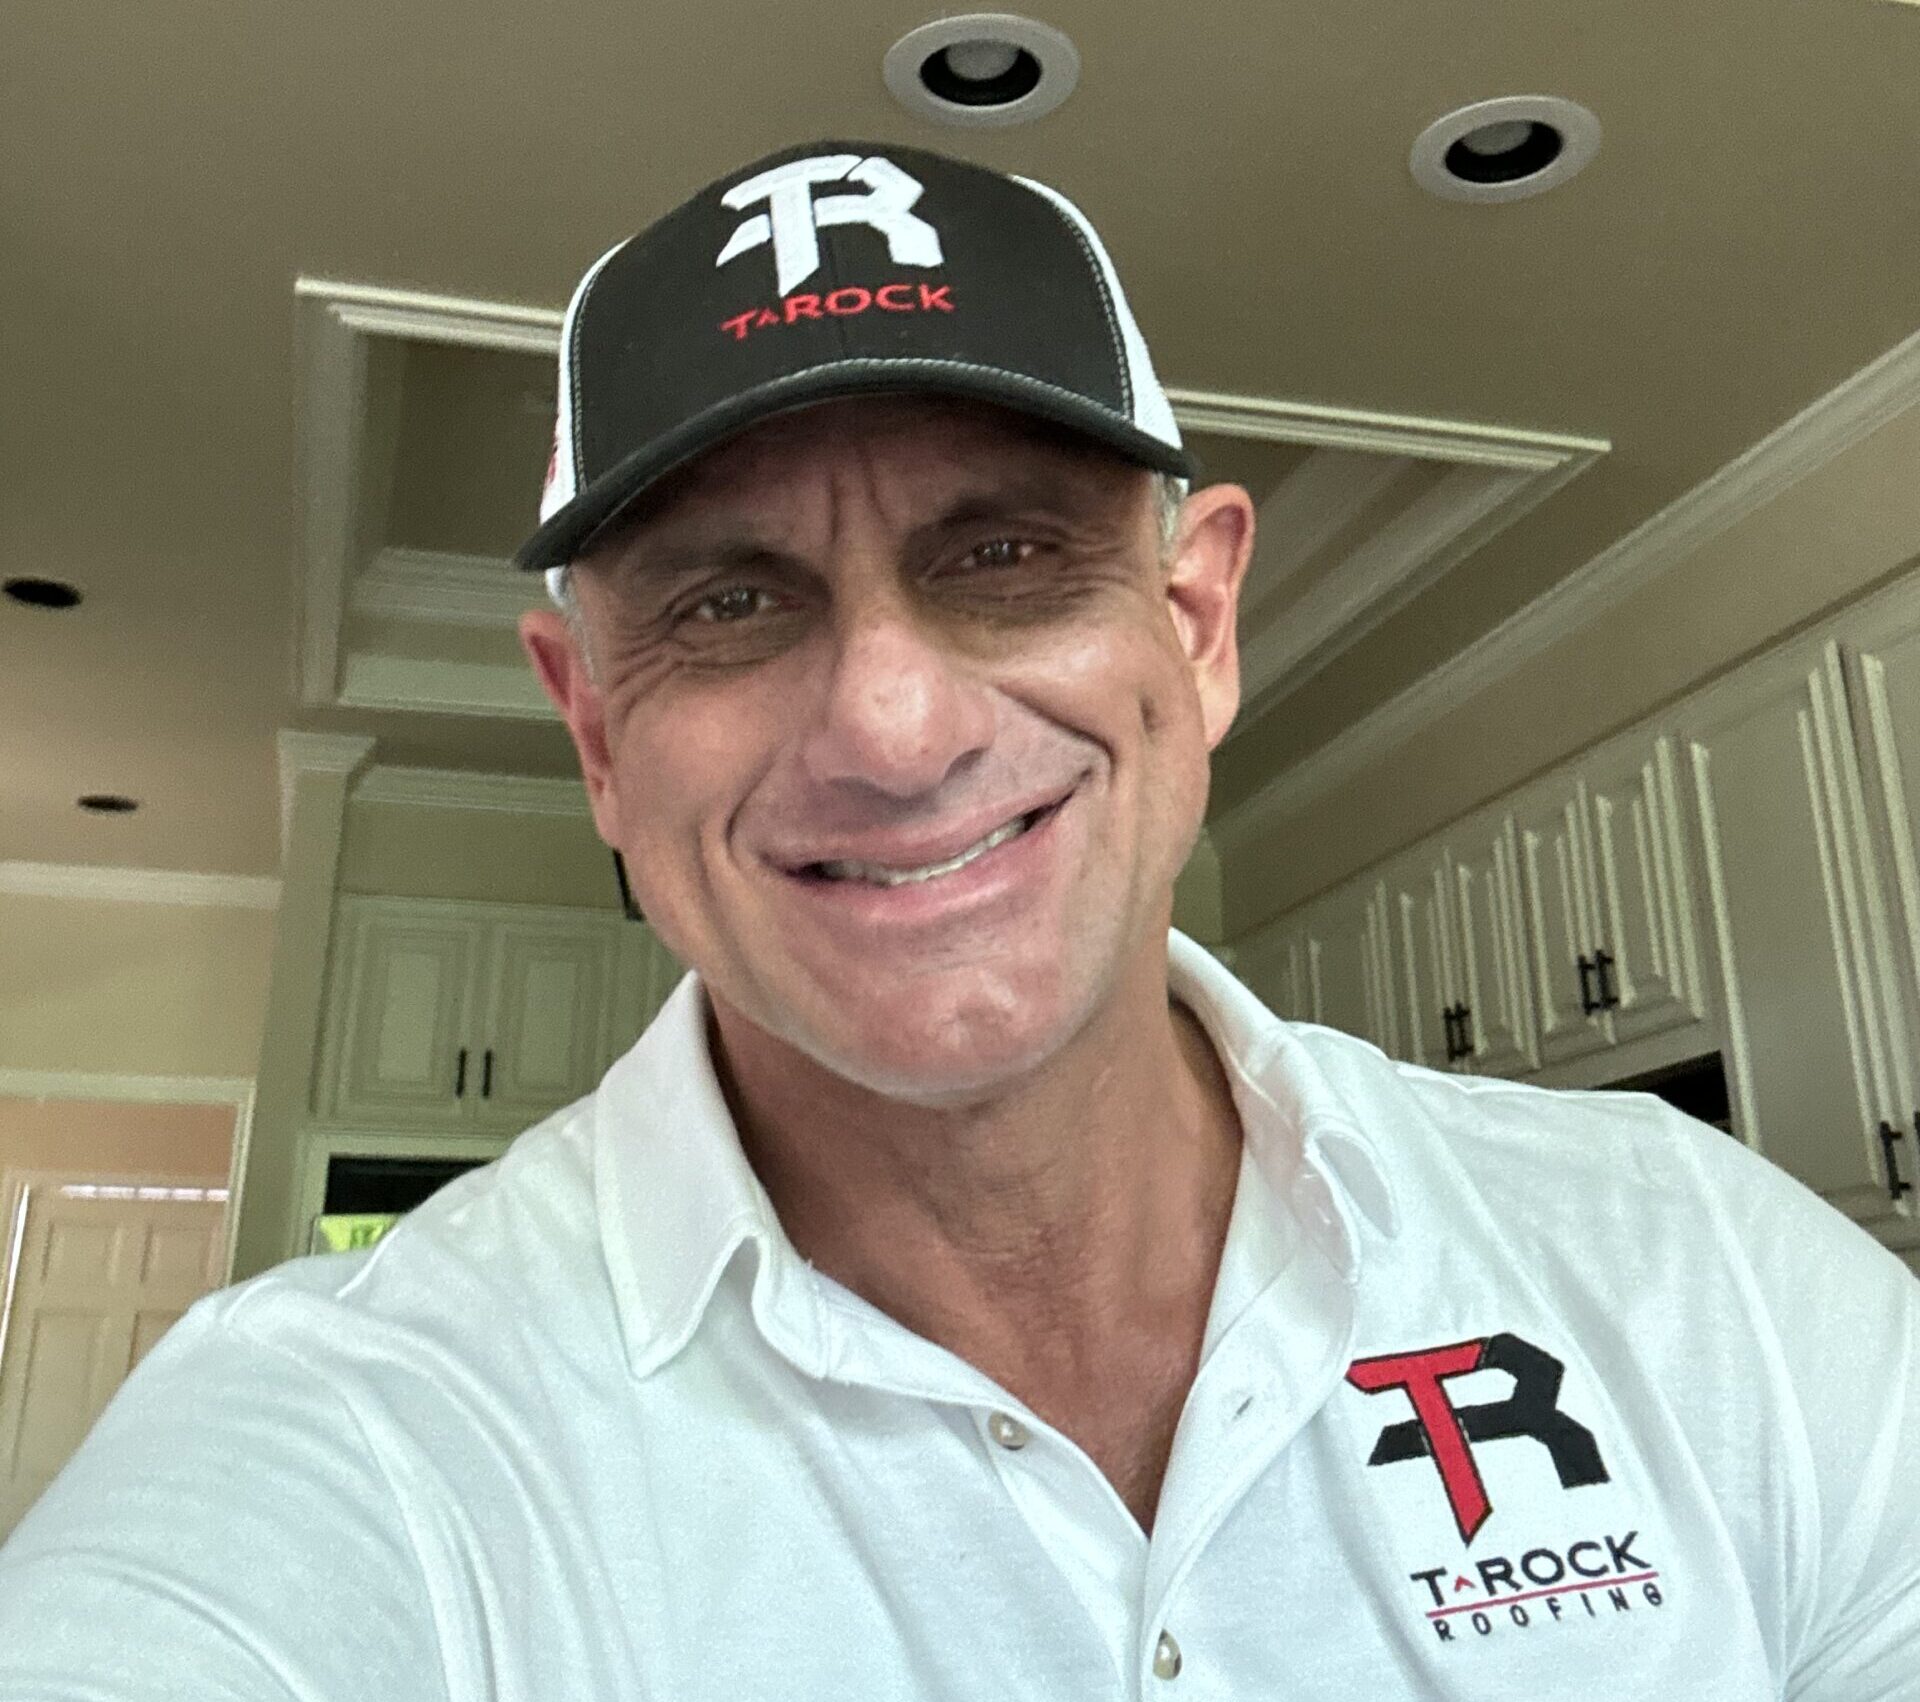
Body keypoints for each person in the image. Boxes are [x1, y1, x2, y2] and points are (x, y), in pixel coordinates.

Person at [1, 139, 1915, 1700]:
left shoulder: (1704, 1279)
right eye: (729, 604)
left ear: (1196, 623)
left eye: (1003, 557)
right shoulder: (354, 1445)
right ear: (594, 729)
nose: (896, 726)